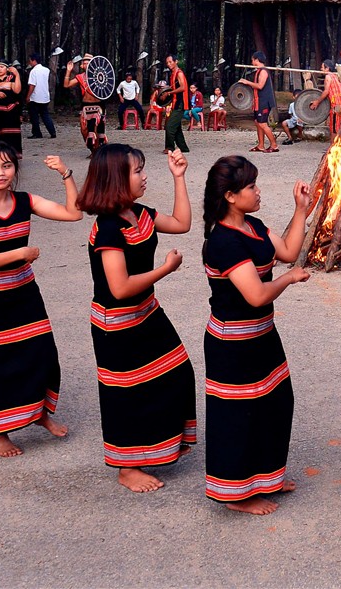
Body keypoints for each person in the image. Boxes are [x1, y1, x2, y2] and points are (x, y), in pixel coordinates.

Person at [79, 144, 197, 492]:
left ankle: (160, 444)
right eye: (137, 172)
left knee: (176, 372)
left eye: (143, 169)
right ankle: (126, 467)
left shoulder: (139, 213)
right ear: (116, 179)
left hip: (146, 313)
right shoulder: (109, 229)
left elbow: (182, 223)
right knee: (125, 392)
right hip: (115, 323)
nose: (145, 177)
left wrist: (179, 178)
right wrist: (165, 269)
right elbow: (119, 288)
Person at [200, 156, 312, 514]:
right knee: (237, 416)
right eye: (251, 186)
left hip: (262, 335)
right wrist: (287, 278)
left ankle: (266, 476)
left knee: (275, 404)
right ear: (231, 196)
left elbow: (289, 251)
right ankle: (235, 495)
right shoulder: (223, 242)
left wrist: (301, 210)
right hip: (232, 342)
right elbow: (257, 295)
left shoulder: (254, 225)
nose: (257, 191)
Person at [0, 143, 80, 457]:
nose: (0, 173)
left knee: (39, 353)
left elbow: (73, 213)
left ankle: (37, 413)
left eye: (7, 166)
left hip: (23, 291)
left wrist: (65, 174)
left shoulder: (24, 201)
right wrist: (19, 254)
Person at [63, 54, 109, 153]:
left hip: (99, 106)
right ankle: (93, 150)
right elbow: (66, 85)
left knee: (96, 130)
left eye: (89, 63)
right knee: (84, 130)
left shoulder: (101, 76)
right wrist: (68, 71)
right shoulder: (80, 77)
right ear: (82, 66)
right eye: (84, 63)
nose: (87, 65)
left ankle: (99, 151)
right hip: (85, 106)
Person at [236, 52, 275, 154]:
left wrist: (247, 82)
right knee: (258, 123)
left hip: (264, 101)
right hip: (259, 100)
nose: (252, 62)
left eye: (252, 60)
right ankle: (261, 145)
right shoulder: (258, 71)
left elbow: (260, 86)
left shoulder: (263, 71)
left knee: (262, 123)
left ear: (257, 60)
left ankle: (274, 145)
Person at [0, 61, 24, 157]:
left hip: (11, 113)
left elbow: (18, 91)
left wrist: (17, 74)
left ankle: (13, 157)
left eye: (1, 67)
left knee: (11, 136)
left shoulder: (13, 79)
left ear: (7, 69)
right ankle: (0, 156)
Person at [164, 54, 192, 155]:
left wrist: (170, 92)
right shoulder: (173, 74)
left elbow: (183, 87)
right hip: (176, 102)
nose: (169, 64)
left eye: (170, 62)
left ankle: (170, 147)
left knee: (169, 126)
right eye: (167, 62)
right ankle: (184, 148)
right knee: (176, 127)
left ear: (176, 62)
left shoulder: (179, 73)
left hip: (180, 103)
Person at [25, 53, 56, 140]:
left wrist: (28, 96)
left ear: (34, 61)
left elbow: (32, 85)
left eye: (30, 61)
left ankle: (37, 133)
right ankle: (52, 131)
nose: (29, 62)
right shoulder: (46, 70)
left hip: (35, 97)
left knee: (34, 116)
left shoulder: (33, 71)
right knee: (45, 115)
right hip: (44, 96)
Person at [315, 59, 341, 140]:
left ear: (327, 68)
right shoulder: (336, 76)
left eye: (322, 67)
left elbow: (326, 92)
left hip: (336, 106)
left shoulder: (328, 76)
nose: (321, 69)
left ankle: (332, 149)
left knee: (334, 129)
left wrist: (317, 102)